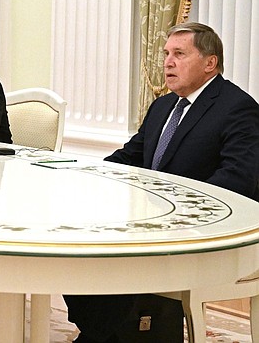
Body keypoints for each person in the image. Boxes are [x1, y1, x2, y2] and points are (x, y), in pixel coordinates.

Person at [64, 22, 259, 342]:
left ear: (210, 63)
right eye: (166, 54)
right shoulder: (163, 105)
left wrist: (180, 214)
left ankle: (108, 334)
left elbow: (236, 180)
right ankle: (102, 332)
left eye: (179, 54)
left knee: (117, 259)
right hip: (153, 224)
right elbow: (130, 156)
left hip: (204, 233)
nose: (168, 62)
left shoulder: (237, 108)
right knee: (78, 242)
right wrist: (88, 178)